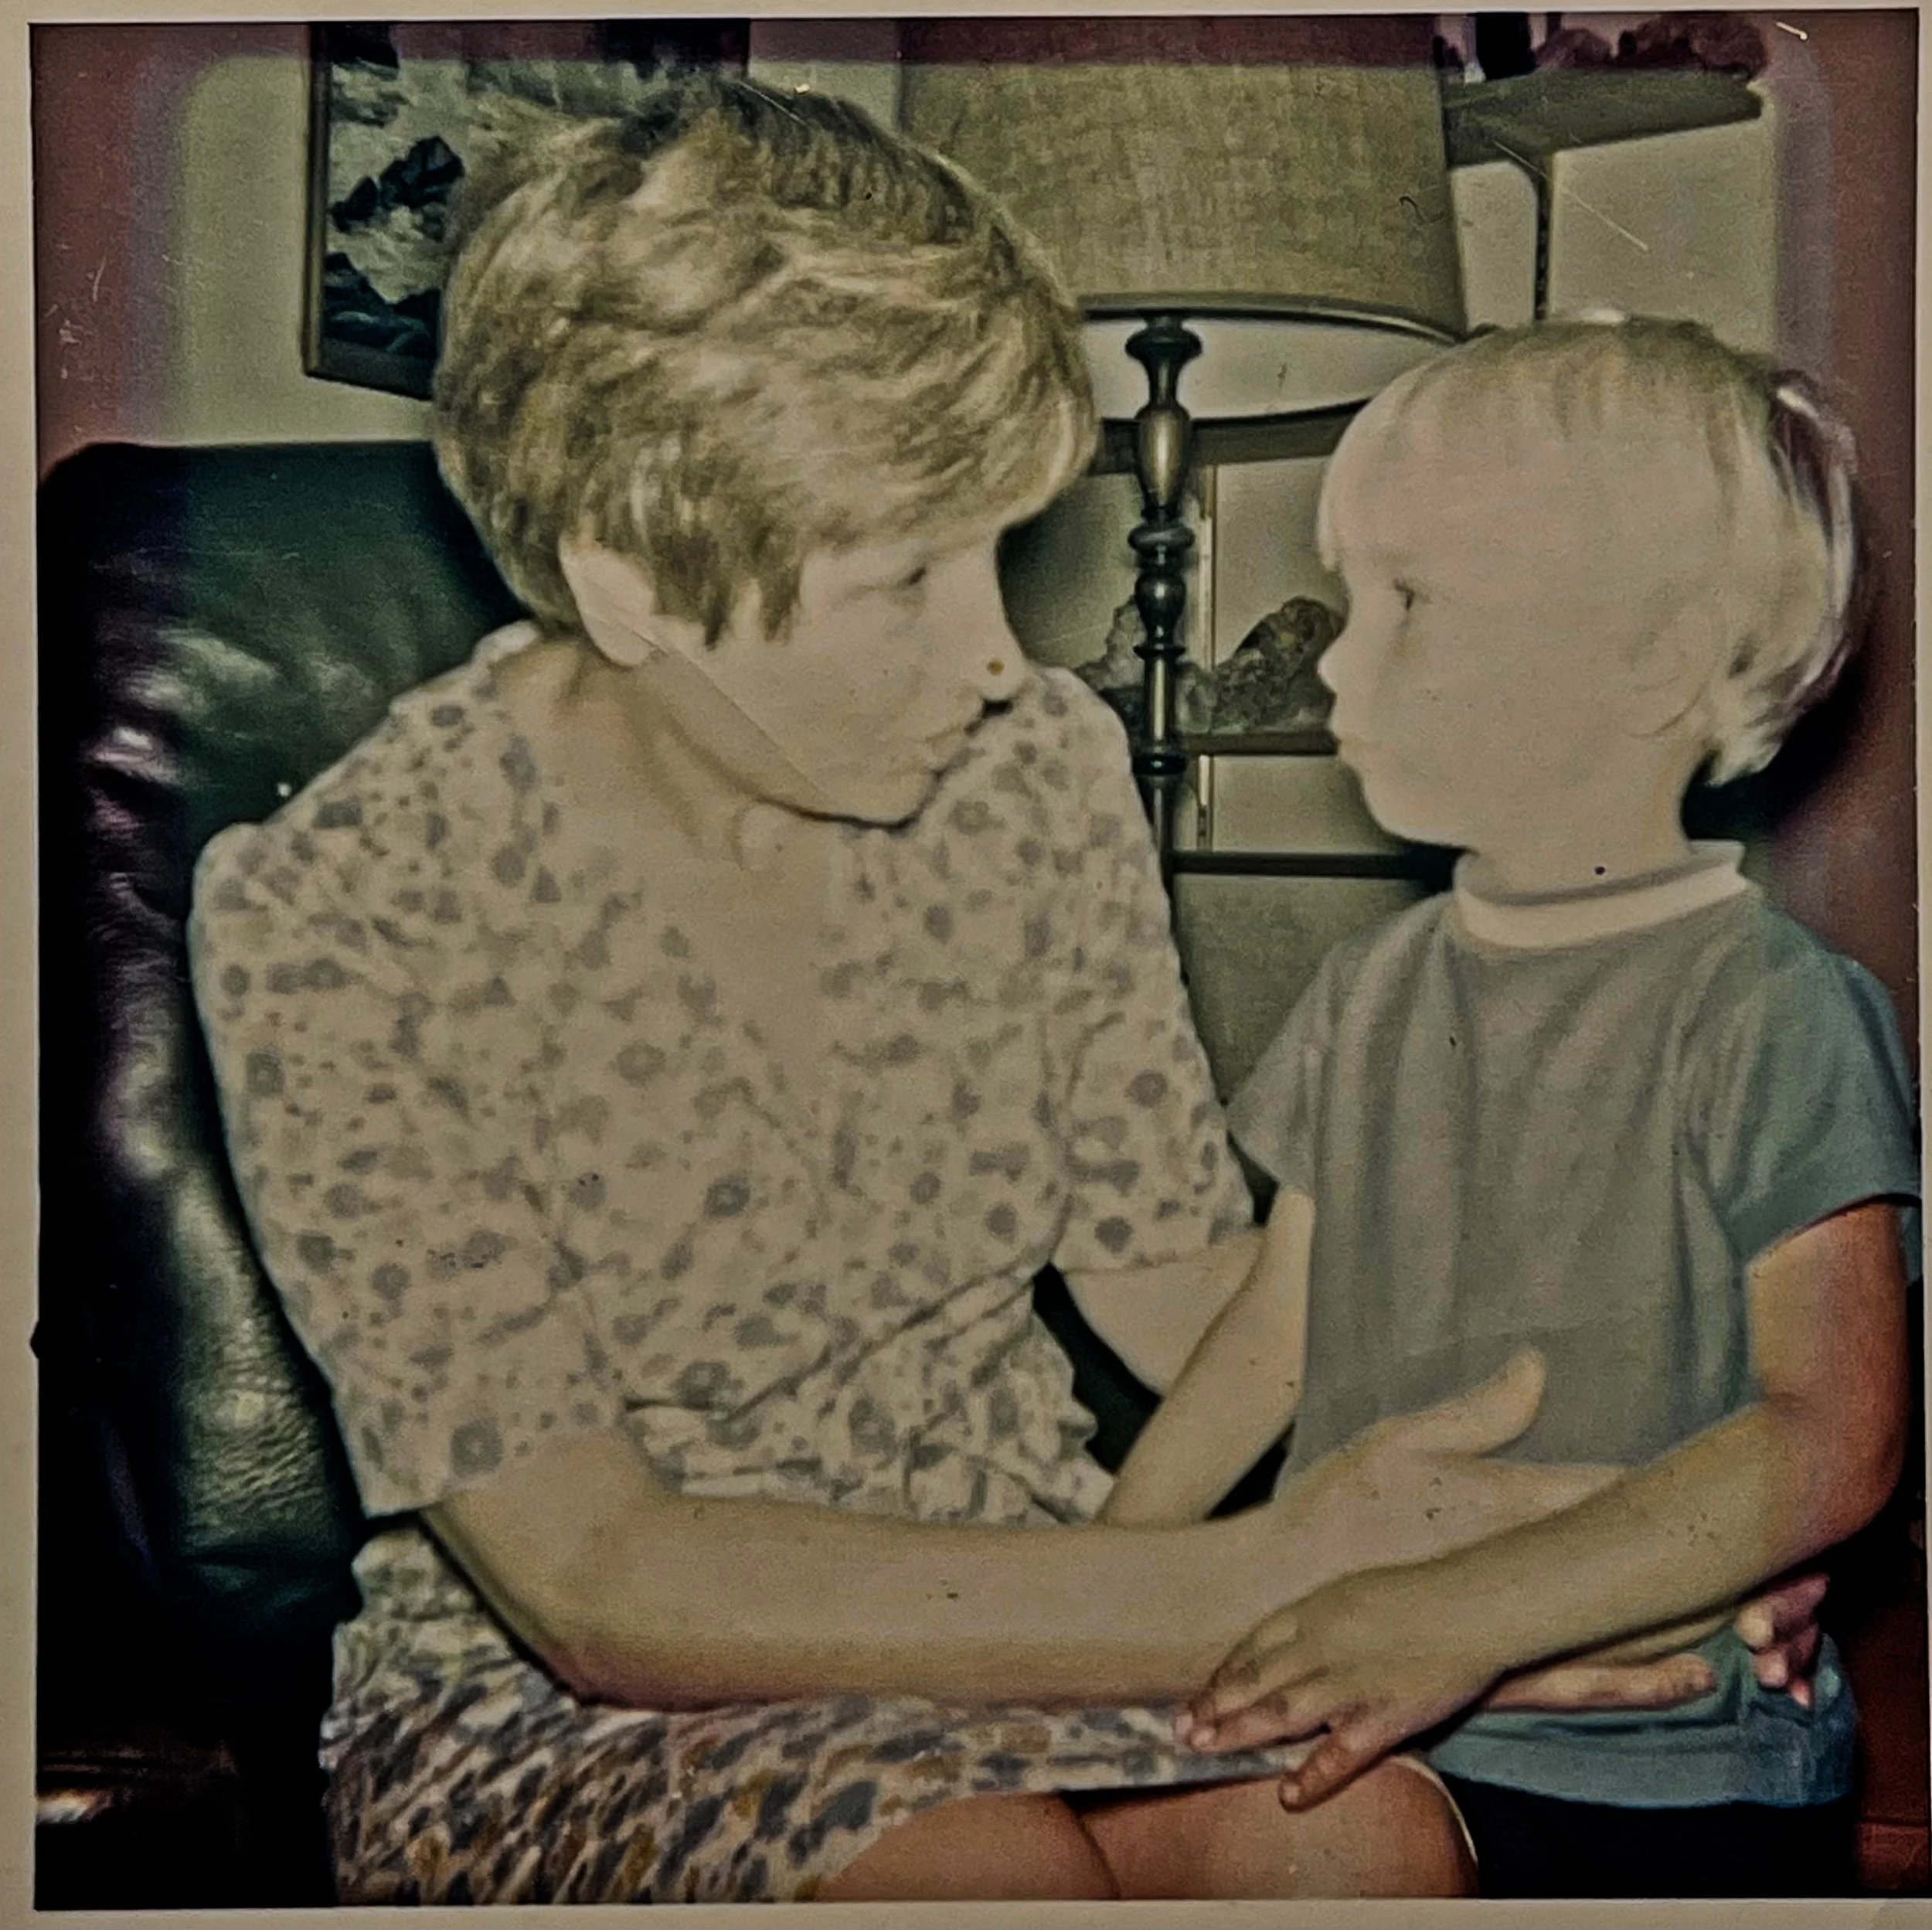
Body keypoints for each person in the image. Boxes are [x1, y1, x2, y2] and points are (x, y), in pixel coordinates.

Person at [188, 81, 1822, 1904]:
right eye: (906, 578)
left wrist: (1608, 1519)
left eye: (1003, 547)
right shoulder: (341, 915)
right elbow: (602, 1590)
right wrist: (1293, 1575)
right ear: (630, 580)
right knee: (974, 1871)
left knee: (1353, 1847)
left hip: (1046, 1596)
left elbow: (1176, 1283)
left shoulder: (1028, 773)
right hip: (564, 1711)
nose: (996, 652)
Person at [1104, 317, 1919, 1897]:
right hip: (1366, 1700)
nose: (1334, 657)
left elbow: (1833, 1437)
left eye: (1406, 604)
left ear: (1652, 662)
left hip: (1661, 1772)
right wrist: (1109, 1595)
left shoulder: (1767, 1010)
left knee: (1335, 1855)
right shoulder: (1371, 988)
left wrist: (1450, 1622)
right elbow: (1269, 1341)